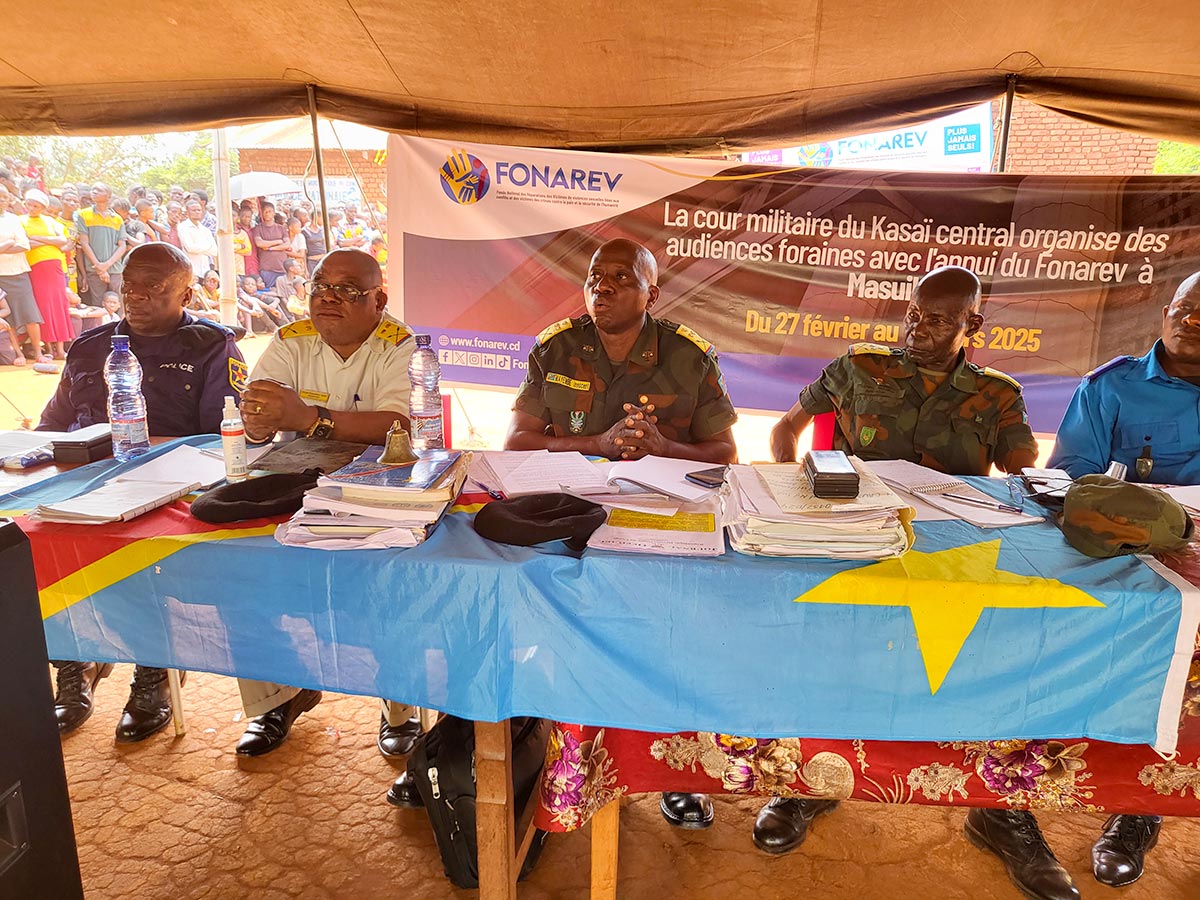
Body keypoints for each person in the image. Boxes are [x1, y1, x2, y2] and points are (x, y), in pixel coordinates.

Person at [766, 267, 1055, 893]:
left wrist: (1024, 484)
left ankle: (1000, 811)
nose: (918, 328)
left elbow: (1021, 475)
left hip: (952, 556)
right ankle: (810, 784)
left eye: (939, 319)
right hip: (857, 542)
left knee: (988, 662)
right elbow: (786, 430)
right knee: (832, 660)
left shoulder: (999, 394)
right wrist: (792, 498)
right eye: (914, 315)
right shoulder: (860, 367)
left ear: (972, 326)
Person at [493, 238, 738, 828]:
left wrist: (664, 448)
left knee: (671, 643)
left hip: (660, 524)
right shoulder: (557, 347)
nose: (602, 287)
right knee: (565, 636)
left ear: (653, 292)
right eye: (595, 277)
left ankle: (679, 773)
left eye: (620, 278)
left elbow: (725, 454)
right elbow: (517, 442)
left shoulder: (686, 356)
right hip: (572, 520)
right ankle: (571, 759)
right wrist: (598, 446)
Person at [38, 242, 246, 743]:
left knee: (148, 555)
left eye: (154, 285)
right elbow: (55, 425)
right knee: (37, 547)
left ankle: (153, 669)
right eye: (130, 283)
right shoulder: (91, 347)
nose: (137, 294)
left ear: (186, 292)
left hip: (173, 489)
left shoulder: (210, 345)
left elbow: (226, 435)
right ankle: (75, 664)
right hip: (86, 485)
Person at [1044, 271, 1200, 889]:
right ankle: (1113, 795)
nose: (1190, 323)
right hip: (1130, 554)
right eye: (1184, 310)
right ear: (1166, 311)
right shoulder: (1112, 387)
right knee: (1112, 665)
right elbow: (1072, 479)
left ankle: (1143, 807)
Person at [233, 248, 421, 758]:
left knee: (386, 581)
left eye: (347, 290)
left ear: (379, 300)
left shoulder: (400, 345)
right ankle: (276, 697)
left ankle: (400, 707)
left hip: (378, 486)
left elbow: (400, 425)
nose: (329, 298)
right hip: (293, 477)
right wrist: (259, 419)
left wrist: (308, 416)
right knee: (242, 565)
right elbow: (259, 410)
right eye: (320, 287)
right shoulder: (290, 341)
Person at [20, 189, 72, 360]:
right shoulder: (20, 221)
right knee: (43, 306)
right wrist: (49, 241)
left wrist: (39, 238)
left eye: (36, 206)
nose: (32, 208)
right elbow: (25, 243)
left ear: (43, 207)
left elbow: (62, 241)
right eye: (29, 204)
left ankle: (61, 348)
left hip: (55, 265)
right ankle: (48, 348)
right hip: (35, 266)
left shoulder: (51, 221)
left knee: (59, 305)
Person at [0, 185, 47, 363]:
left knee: (30, 314)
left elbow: (24, 245)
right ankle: (18, 355)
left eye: (4, 197)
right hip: (0, 276)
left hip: (18, 272)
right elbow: (15, 244)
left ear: (9, 200)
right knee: (8, 317)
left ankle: (38, 352)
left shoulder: (14, 219)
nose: (1, 200)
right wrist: (8, 244)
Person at [74, 182, 128, 305]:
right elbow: (84, 243)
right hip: (94, 269)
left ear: (108, 196)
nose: (94, 192)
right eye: (93, 189)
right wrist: (100, 268)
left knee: (118, 304)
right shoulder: (84, 214)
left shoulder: (117, 219)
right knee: (98, 304)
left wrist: (107, 265)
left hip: (115, 270)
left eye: (98, 190)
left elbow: (122, 245)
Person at [251, 201, 289, 289]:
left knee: (284, 291)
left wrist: (270, 248)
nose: (267, 214)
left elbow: (287, 245)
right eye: (265, 212)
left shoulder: (281, 228)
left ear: (274, 213)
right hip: (266, 268)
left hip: (281, 266)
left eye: (270, 211)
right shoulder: (258, 228)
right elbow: (259, 243)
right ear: (262, 214)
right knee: (269, 291)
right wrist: (278, 241)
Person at [177, 199, 219, 278]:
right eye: (194, 210)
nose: (197, 212)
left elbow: (214, 251)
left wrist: (198, 248)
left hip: (205, 271)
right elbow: (190, 248)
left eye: (199, 210)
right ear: (187, 212)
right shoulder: (183, 227)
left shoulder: (205, 230)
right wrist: (207, 247)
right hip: (192, 270)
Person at [299, 207, 326, 276]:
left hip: (323, 260)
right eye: (322, 217)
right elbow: (304, 251)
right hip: (312, 262)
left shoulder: (322, 229)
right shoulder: (304, 231)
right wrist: (305, 269)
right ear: (316, 217)